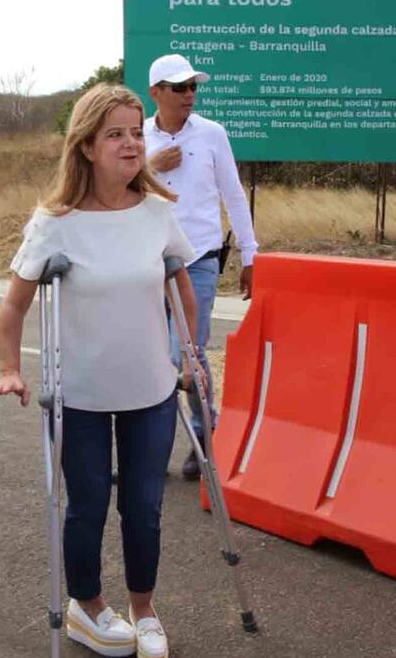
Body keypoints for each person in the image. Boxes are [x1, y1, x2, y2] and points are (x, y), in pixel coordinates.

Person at [0, 83, 198, 658]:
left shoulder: (157, 212)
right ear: (85, 146)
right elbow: (13, 307)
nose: (131, 143)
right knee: (86, 505)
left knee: (144, 507)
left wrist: (191, 358)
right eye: (115, 135)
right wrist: (10, 367)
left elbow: (182, 288)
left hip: (151, 388)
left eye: (135, 132)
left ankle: (143, 609)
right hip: (80, 393)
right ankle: (87, 606)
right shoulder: (54, 222)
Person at [144, 53, 259, 480]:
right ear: (156, 92)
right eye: (180, 87)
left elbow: (233, 195)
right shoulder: (137, 137)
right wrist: (150, 167)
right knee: (151, 355)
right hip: (146, 263)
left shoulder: (212, 134)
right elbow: (113, 188)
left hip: (198, 261)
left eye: (193, 86)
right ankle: (156, 446)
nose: (189, 94)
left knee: (186, 353)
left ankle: (203, 436)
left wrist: (250, 255)